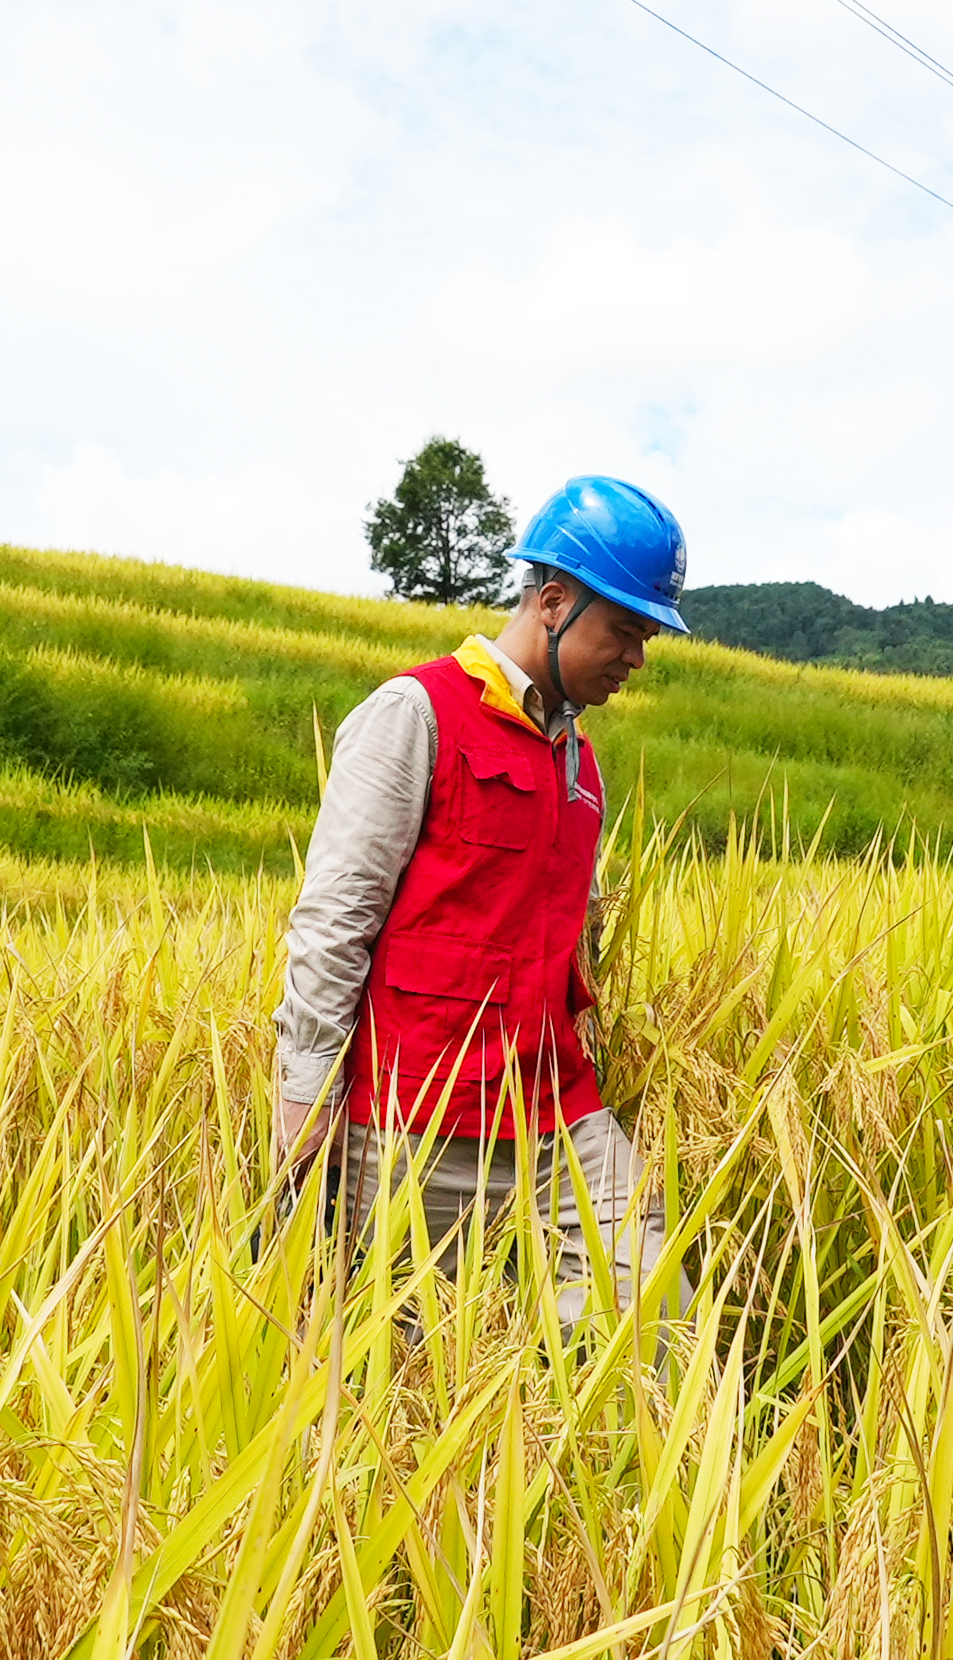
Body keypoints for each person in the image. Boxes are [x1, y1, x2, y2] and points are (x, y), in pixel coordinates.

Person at [271, 473, 689, 1327]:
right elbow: (334, 919)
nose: (637, 659)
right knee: (405, 1372)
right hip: (416, 1121)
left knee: (655, 1314)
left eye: (646, 636)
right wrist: (304, 1093)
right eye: (624, 630)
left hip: (554, 1113)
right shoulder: (415, 713)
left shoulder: (581, 767)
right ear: (551, 601)